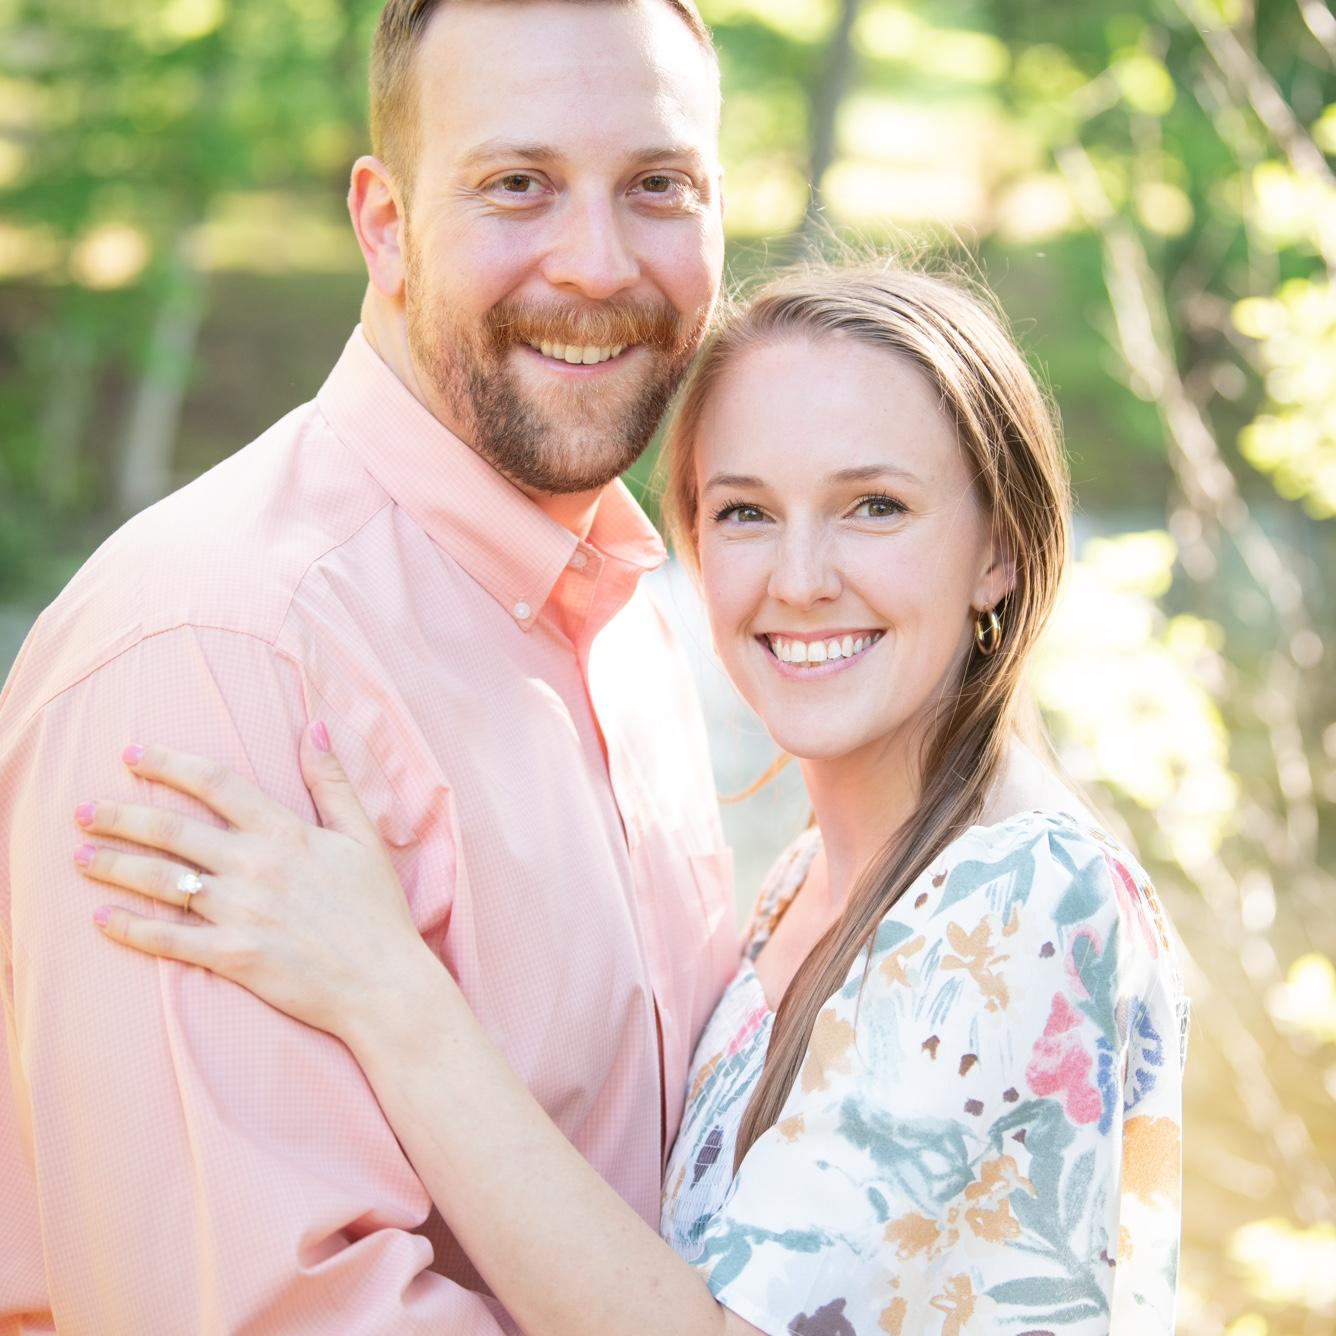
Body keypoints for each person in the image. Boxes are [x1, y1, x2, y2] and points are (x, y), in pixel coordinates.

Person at [72, 262, 1188, 1334]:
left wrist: (386, 989)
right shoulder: (818, 877)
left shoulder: (1021, 898)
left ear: (998, 551)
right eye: (745, 513)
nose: (800, 578)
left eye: (875, 506)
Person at [0, 1, 737, 1329]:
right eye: (517, 185)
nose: (596, 264)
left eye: (657, 186)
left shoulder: (625, 608)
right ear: (385, 224)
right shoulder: (214, 656)